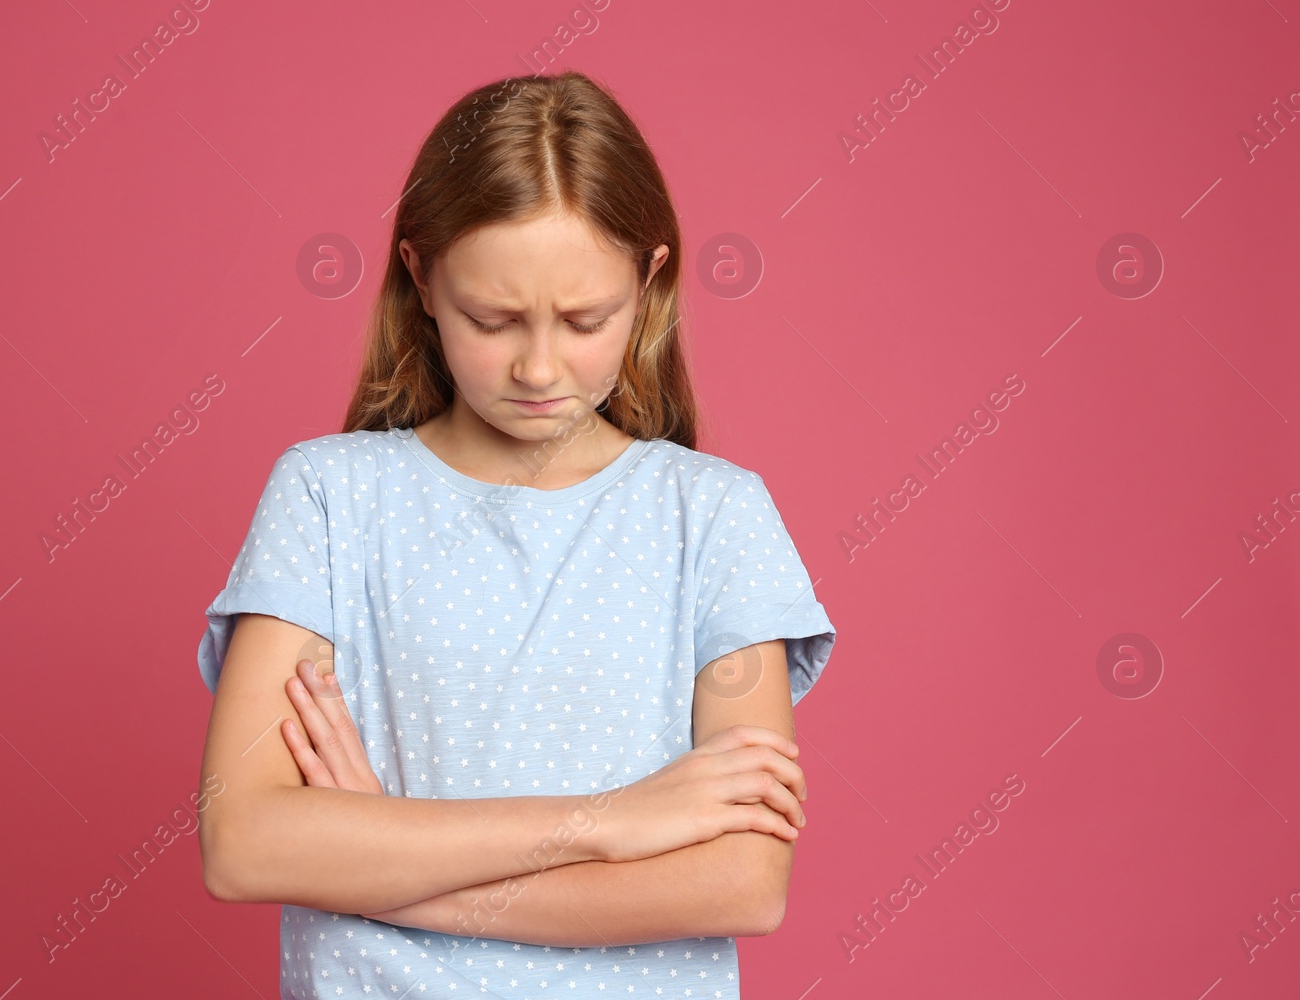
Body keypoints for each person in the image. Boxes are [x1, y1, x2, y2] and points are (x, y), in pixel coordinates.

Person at [195, 70, 837, 1000]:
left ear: (649, 277)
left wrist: (386, 867)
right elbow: (244, 844)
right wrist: (607, 821)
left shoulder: (715, 518)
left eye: (585, 320)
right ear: (421, 277)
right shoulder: (328, 497)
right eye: (491, 319)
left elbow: (741, 880)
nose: (539, 366)